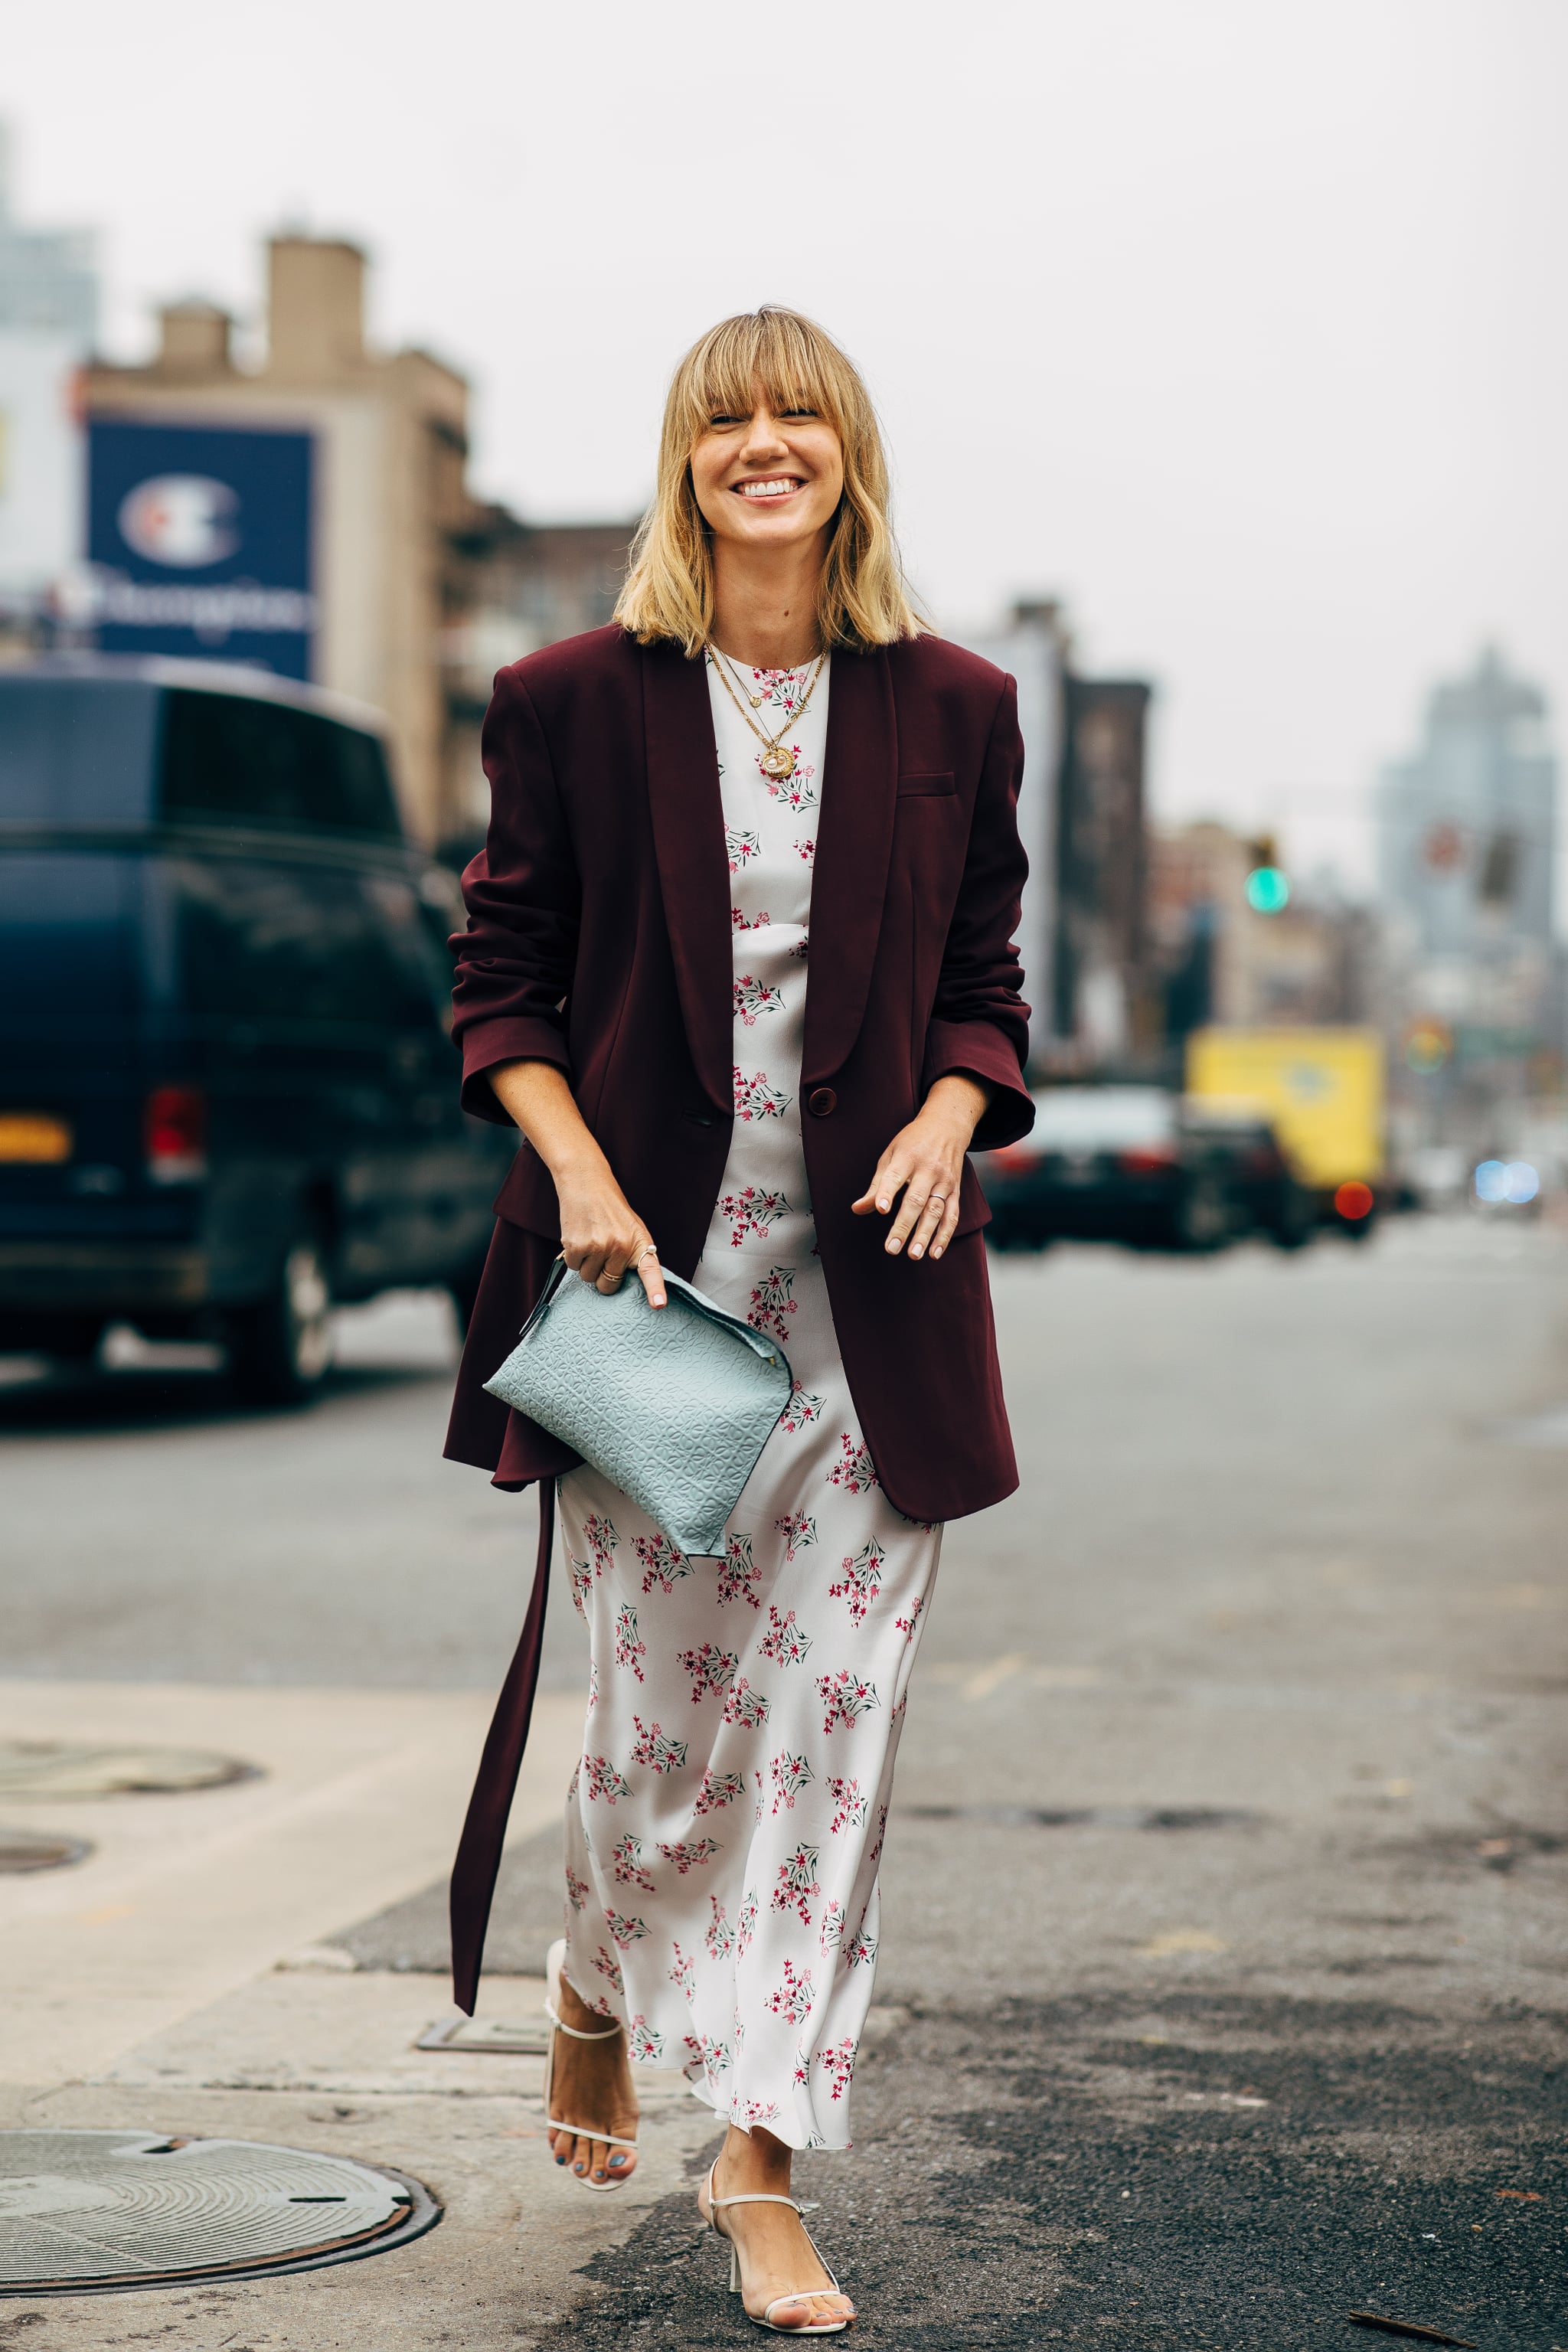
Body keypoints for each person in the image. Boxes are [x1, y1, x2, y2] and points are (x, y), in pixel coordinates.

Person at [444, 305, 1032, 2333]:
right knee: (663, 1742)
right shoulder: (572, 700)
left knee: (832, 1726)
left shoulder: (956, 704)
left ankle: (763, 2154)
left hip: (875, 1309)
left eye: (798, 418)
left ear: (846, 454)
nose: (762, 445)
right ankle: (596, 1981)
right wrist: (582, 1176)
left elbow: (988, 981)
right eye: (727, 420)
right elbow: (500, 982)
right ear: (686, 460)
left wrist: (959, 1116)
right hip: (648, 1302)